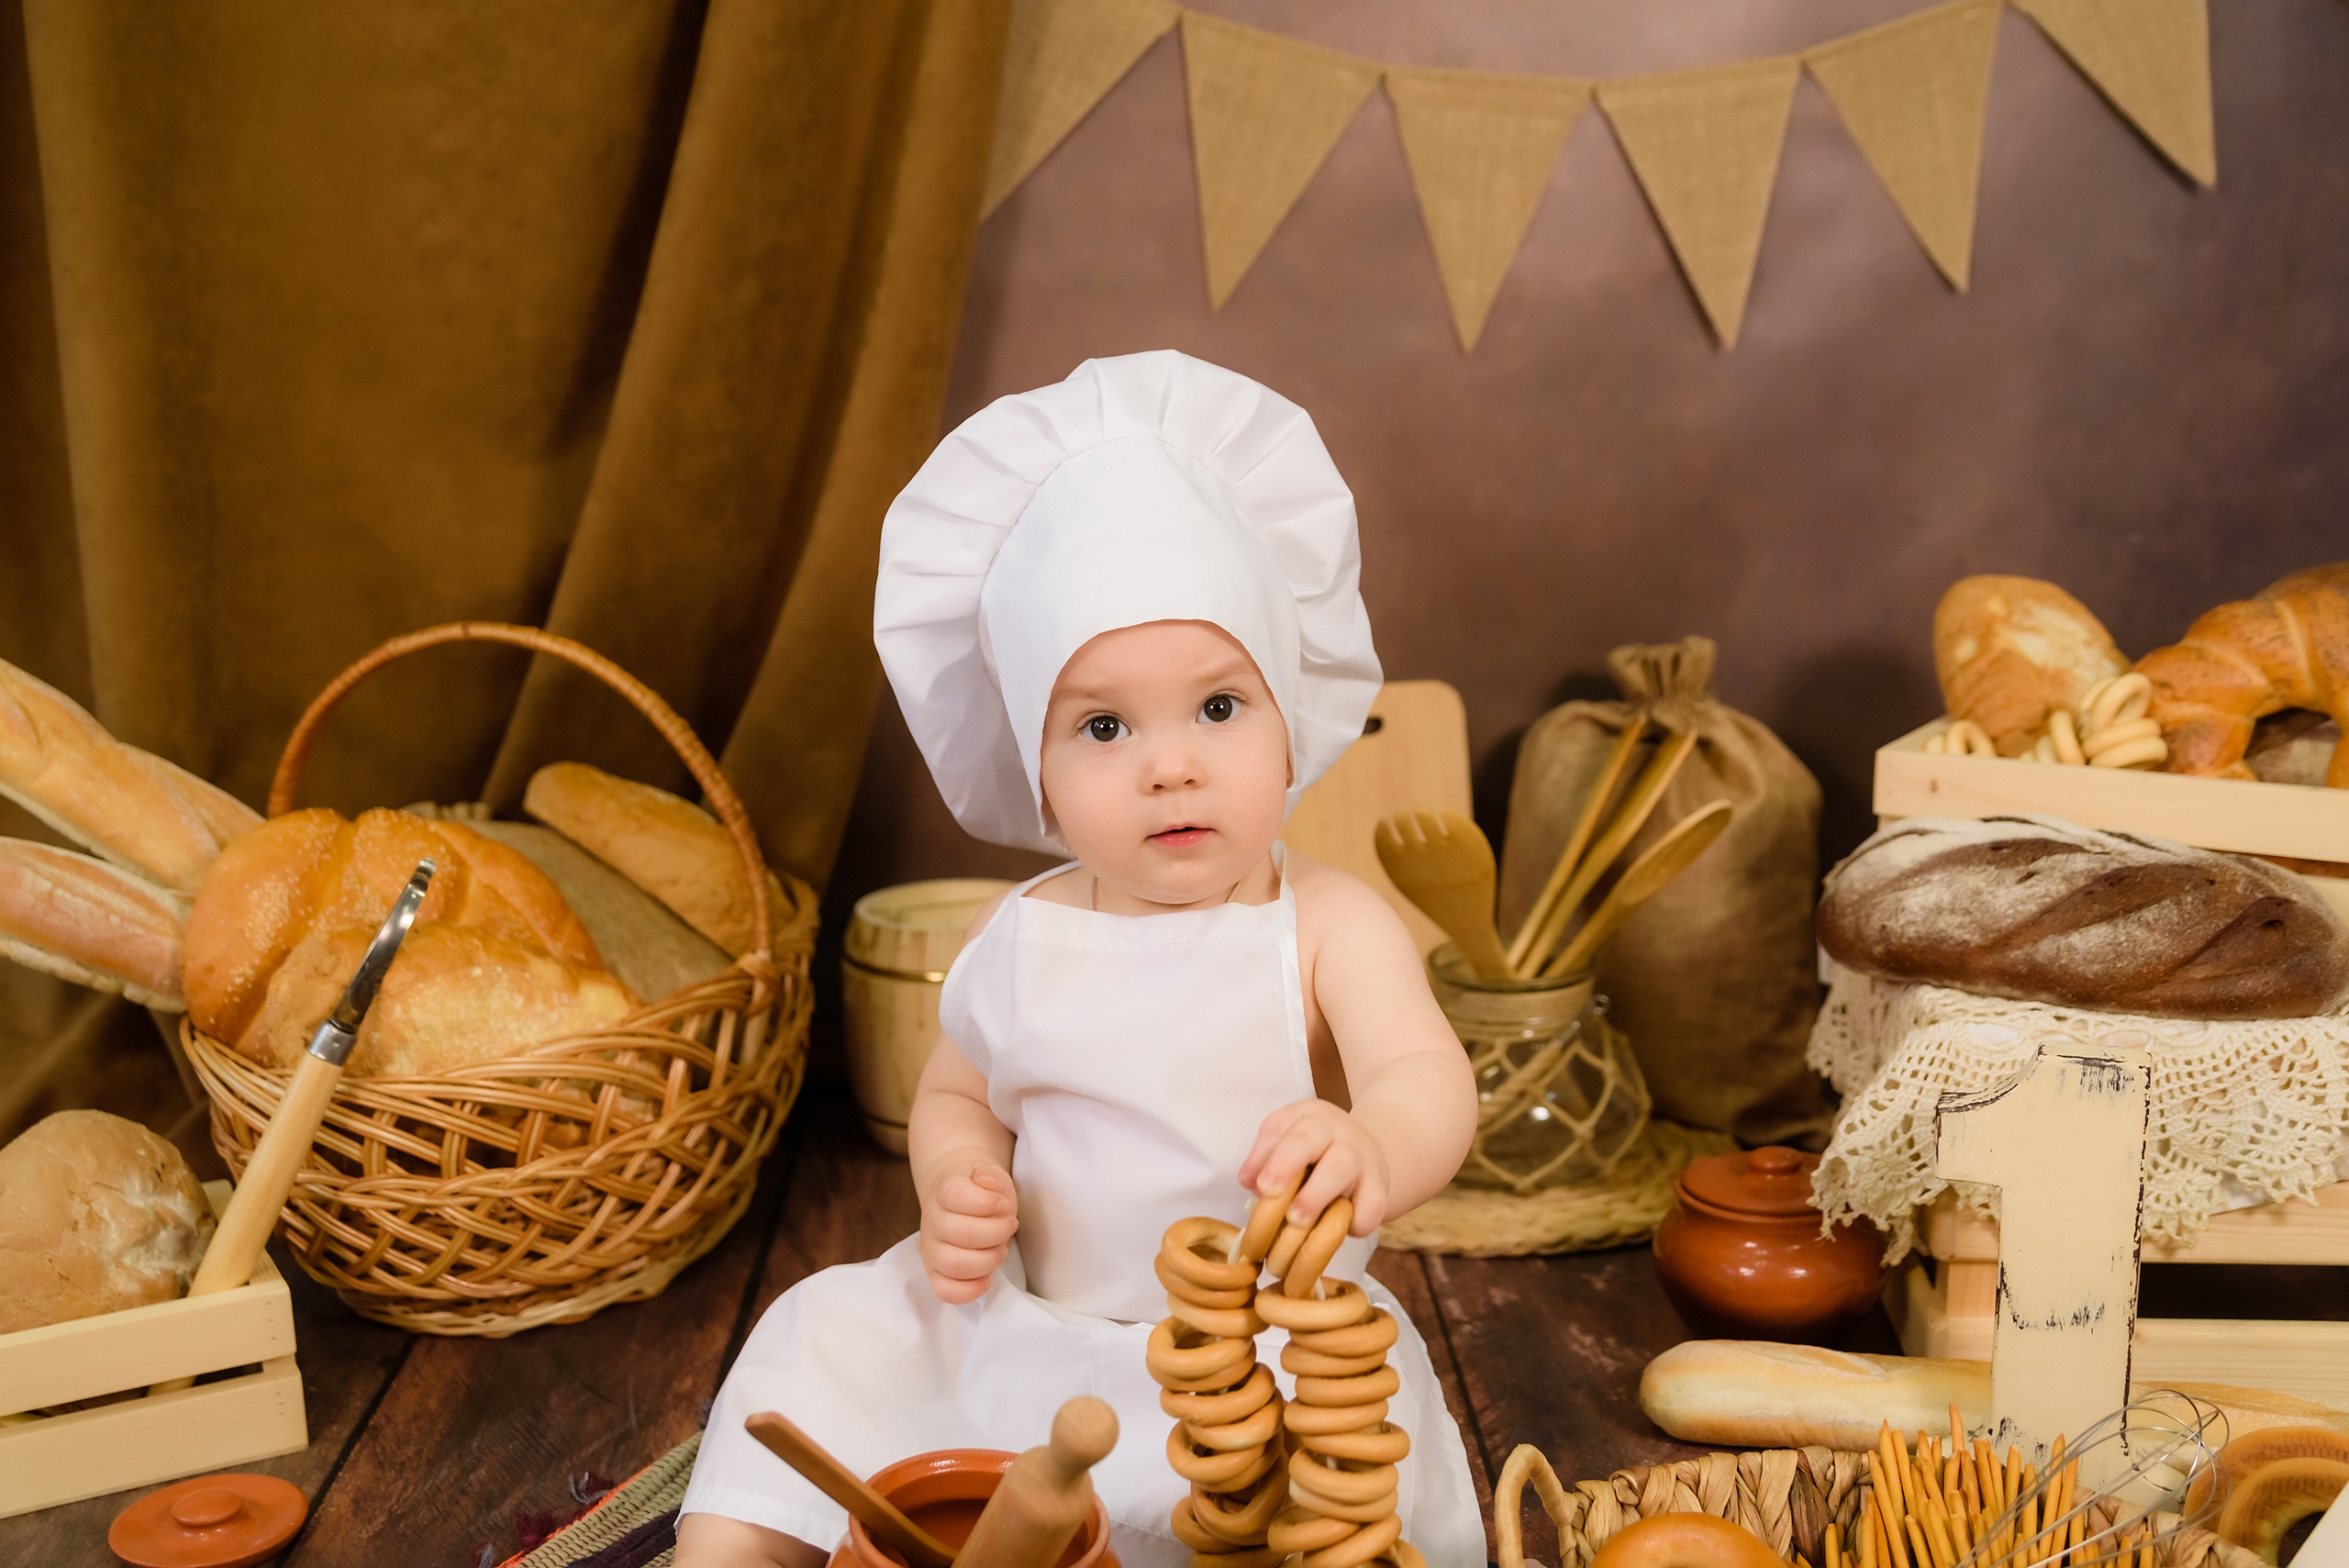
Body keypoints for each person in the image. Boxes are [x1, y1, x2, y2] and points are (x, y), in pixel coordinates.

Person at [676, 350, 1482, 1568]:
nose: (1172, 764)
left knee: (1341, 1485)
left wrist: (1374, 1143)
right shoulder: (1024, 933)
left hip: (1257, 1362)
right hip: (1025, 1334)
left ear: (1290, 716)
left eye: (1219, 706)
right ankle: (734, 1553)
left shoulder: (1325, 921)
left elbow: (1428, 1075)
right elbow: (957, 1089)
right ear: (1037, 771)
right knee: (815, 1335)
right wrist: (957, 1182)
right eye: (1104, 725)